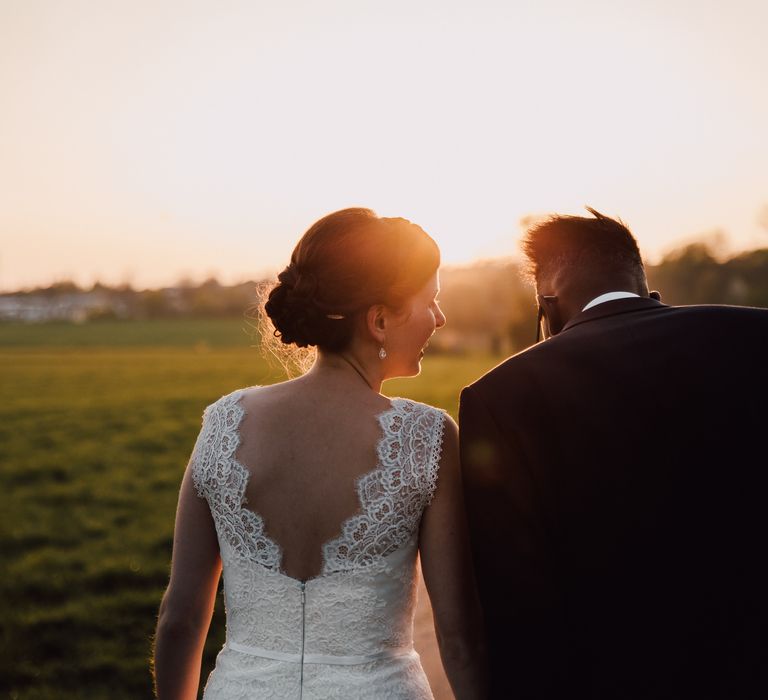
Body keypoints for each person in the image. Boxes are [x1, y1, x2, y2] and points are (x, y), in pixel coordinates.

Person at [154, 208, 487, 699]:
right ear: (377, 320)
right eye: (431, 301)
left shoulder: (224, 424)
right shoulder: (428, 436)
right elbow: (458, 638)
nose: (439, 318)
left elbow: (179, 621)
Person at [459, 208, 768, 699]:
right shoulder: (755, 337)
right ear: (646, 287)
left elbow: (514, 598)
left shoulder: (499, 396)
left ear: (549, 305)